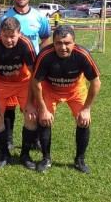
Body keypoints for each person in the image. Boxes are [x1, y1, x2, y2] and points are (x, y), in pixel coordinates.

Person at [31, 25, 101, 174]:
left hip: (75, 90)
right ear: (53, 43)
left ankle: (80, 160)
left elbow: (96, 82)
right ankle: (46, 159)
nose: (63, 47)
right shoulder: (45, 55)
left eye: (67, 43)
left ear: (74, 43)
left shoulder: (82, 54)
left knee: (83, 121)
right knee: (44, 120)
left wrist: (87, 109)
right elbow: (35, 82)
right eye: (58, 43)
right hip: (50, 89)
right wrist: (42, 109)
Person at [0, 0, 51, 152]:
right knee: (9, 106)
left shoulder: (39, 17)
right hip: (10, 68)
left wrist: (41, 55)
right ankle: (9, 139)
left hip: (32, 68)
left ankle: (35, 140)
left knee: (35, 105)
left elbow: (46, 38)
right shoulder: (5, 18)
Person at [0, 17, 38, 169]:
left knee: (31, 115)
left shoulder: (25, 44)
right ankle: (4, 153)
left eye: (12, 36)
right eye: (5, 36)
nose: (9, 40)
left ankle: (25, 154)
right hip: (1, 83)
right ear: (0, 33)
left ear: (19, 33)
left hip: (23, 82)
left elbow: (35, 74)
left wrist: (30, 103)